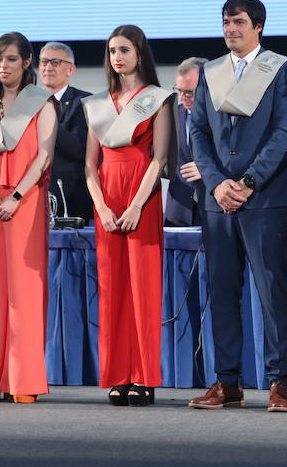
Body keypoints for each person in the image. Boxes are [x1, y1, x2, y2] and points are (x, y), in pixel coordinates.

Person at [188, 0, 287, 412]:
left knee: (272, 290)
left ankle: (279, 383)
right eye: (225, 22)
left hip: (265, 198)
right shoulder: (211, 72)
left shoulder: (283, 69)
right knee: (221, 290)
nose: (230, 29)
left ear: (258, 26)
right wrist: (218, 184)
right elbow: (197, 131)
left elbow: (284, 131)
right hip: (218, 201)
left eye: (238, 22)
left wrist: (249, 182)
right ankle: (227, 382)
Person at [82, 25, 173, 407]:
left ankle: (144, 376)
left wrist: (136, 204)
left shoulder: (158, 98)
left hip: (142, 195)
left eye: (124, 50)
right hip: (107, 195)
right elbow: (89, 165)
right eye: (112, 51)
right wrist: (102, 207)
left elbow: (161, 158)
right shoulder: (98, 103)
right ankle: (119, 374)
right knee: (113, 290)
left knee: (143, 290)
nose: (117, 57)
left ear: (139, 53)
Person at [0, 32, 57, 403]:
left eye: (11, 59)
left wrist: (17, 196)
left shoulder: (42, 103)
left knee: (24, 290)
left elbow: (44, 155)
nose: (4, 65)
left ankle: (24, 379)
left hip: (25, 203)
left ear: (27, 63)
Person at [38, 42, 93, 223]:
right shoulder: (27, 103)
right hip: (33, 194)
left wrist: (45, 118)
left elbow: (78, 147)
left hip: (70, 198)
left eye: (55, 62)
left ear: (70, 69)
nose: (48, 67)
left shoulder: (85, 102)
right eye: (44, 62)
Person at [165, 57, 207, 227]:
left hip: (214, 208)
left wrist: (206, 168)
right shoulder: (170, 116)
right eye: (179, 90)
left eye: (190, 91)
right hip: (178, 212)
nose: (183, 97)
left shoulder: (224, 116)